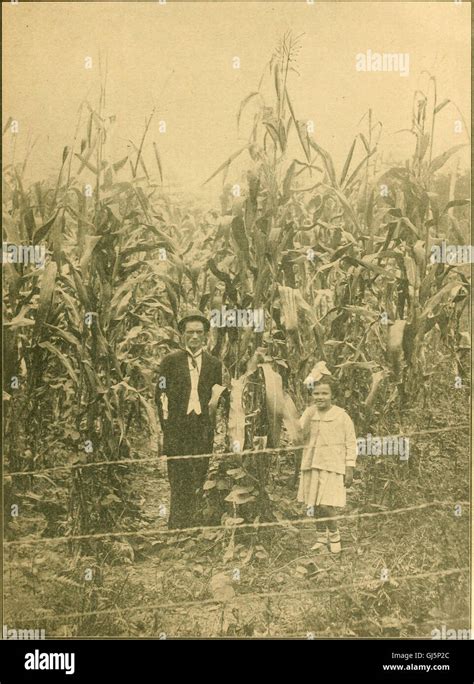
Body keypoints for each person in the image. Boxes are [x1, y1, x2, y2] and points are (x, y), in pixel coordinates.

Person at [155, 310, 223, 529]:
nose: (194, 337)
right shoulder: (170, 361)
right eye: (190, 332)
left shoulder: (214, 364)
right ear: (182, 335)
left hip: (202, 427)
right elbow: (161, 394)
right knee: (178, 474)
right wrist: (166, 426)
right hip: (177, 427)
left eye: (199, 333)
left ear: (205, 336)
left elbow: (217, 395)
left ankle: (194, 524)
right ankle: (176, 525)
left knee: (199, 471)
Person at [297, 373, 357, 554]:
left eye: (324, 393)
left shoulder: (341, 416)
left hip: (332, 465)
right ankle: (321, 538)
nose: (320, 397)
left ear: (332, 395)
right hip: (312, 463)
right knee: (314, 504)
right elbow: (299, 434)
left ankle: (335, 535)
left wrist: (350, 467)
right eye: (316, 394)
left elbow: (351, 442)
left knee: (326, 504)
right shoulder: (309, 413)